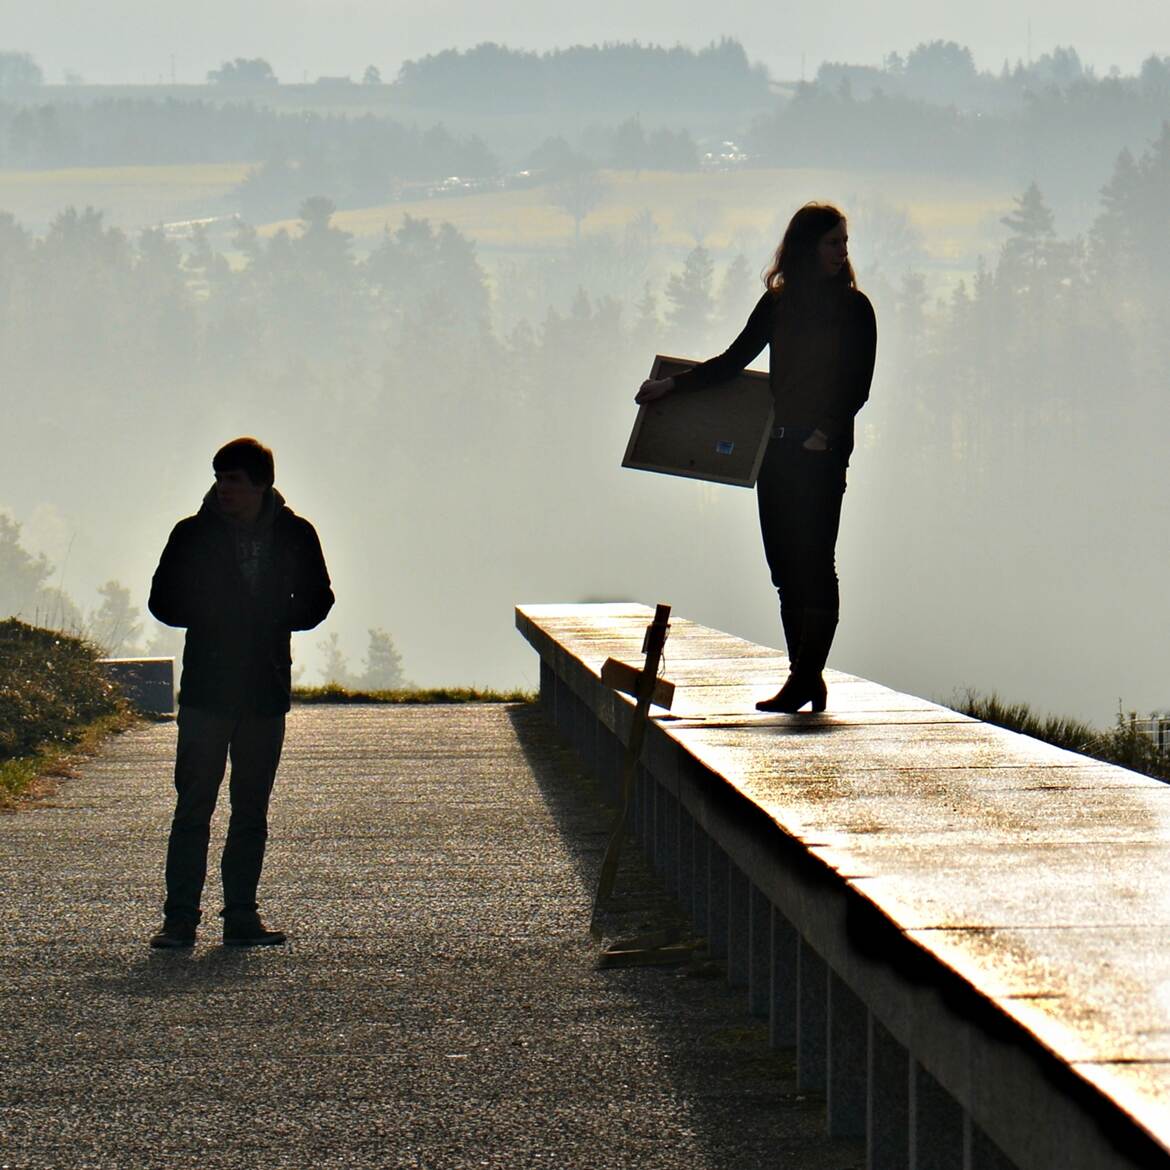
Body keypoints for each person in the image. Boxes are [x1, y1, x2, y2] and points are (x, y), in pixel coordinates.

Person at [636, 203, 876, 713]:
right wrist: (672, 386)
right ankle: (805, 676)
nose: (842, 251)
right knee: (784, 570)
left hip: (822, 455)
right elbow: (733, 360)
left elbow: (858, 385)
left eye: (844, 242)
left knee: (816, 564)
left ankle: (803, 678)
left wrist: (826, 432)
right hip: (777, 451)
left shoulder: (856, 309)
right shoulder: (778, 304)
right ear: (807, 247)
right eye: (832, 242)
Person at [147, 437, 334, 948]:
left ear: (261, 484)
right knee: (194, 808)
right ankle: (180, 919)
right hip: (206, 690)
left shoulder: (295, 534)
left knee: (251, 810)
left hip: (263, 690)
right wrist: (216, 615)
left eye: (232, 479)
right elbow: (161, 601)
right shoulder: (191, 534)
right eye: (218, 478)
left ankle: (241, 916)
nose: (222, 488)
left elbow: (320, 599)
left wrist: (274, 619)